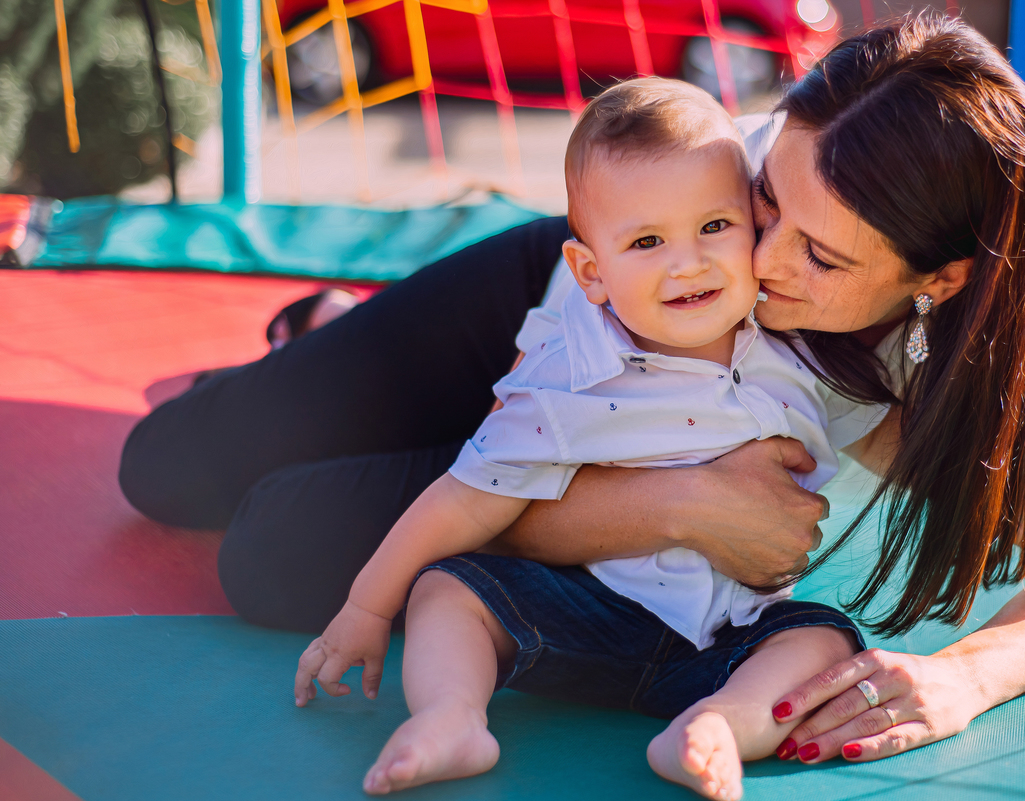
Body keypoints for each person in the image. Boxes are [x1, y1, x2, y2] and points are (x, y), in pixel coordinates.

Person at [118, 12, 1025, 766]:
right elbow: (518, 440)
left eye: (824, 259)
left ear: (942, 280)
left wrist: (966, 678)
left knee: (269, 549)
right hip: (564, 341)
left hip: (618, 439)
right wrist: (680, 508)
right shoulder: (735, 196)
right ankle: (336, 327)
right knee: (165, 466)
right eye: (762, 206)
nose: (759, 259)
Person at [294, 78, 866, 800]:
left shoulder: (796, 346)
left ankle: (717, 724)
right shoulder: (569, 382)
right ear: (591, 273)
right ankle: (453, 715)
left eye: (714, 227)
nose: (686, 262)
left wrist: (999, 476)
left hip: (729, 631)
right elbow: (460, 503)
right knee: (446, 589)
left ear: (756, 220)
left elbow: (888, 425)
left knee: (823, 638)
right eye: (648, 241)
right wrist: (367, 606)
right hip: (587, 614)